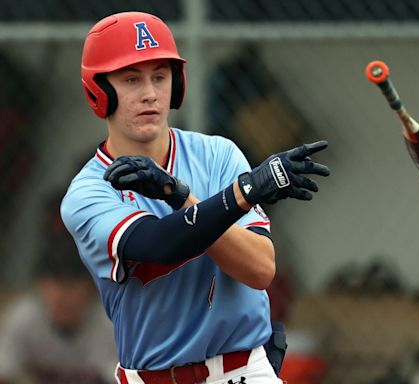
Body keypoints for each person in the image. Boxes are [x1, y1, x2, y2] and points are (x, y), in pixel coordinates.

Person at [61, 11, 330, 384]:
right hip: (154, 377)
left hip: (246, 371)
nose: (150, 93)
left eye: (160, 76)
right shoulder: (88, 192)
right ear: (99, 90)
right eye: (131, 79)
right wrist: (243, 192)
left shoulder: (217, 155)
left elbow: (259, 270)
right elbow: (159, 245)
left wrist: (181, 197)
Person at [0, 231, 117, 384]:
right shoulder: (24, 320)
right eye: (55, 283)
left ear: (91, 287)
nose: (62, 296)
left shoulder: (110, 326)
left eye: (72, 284)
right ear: (41, 286)